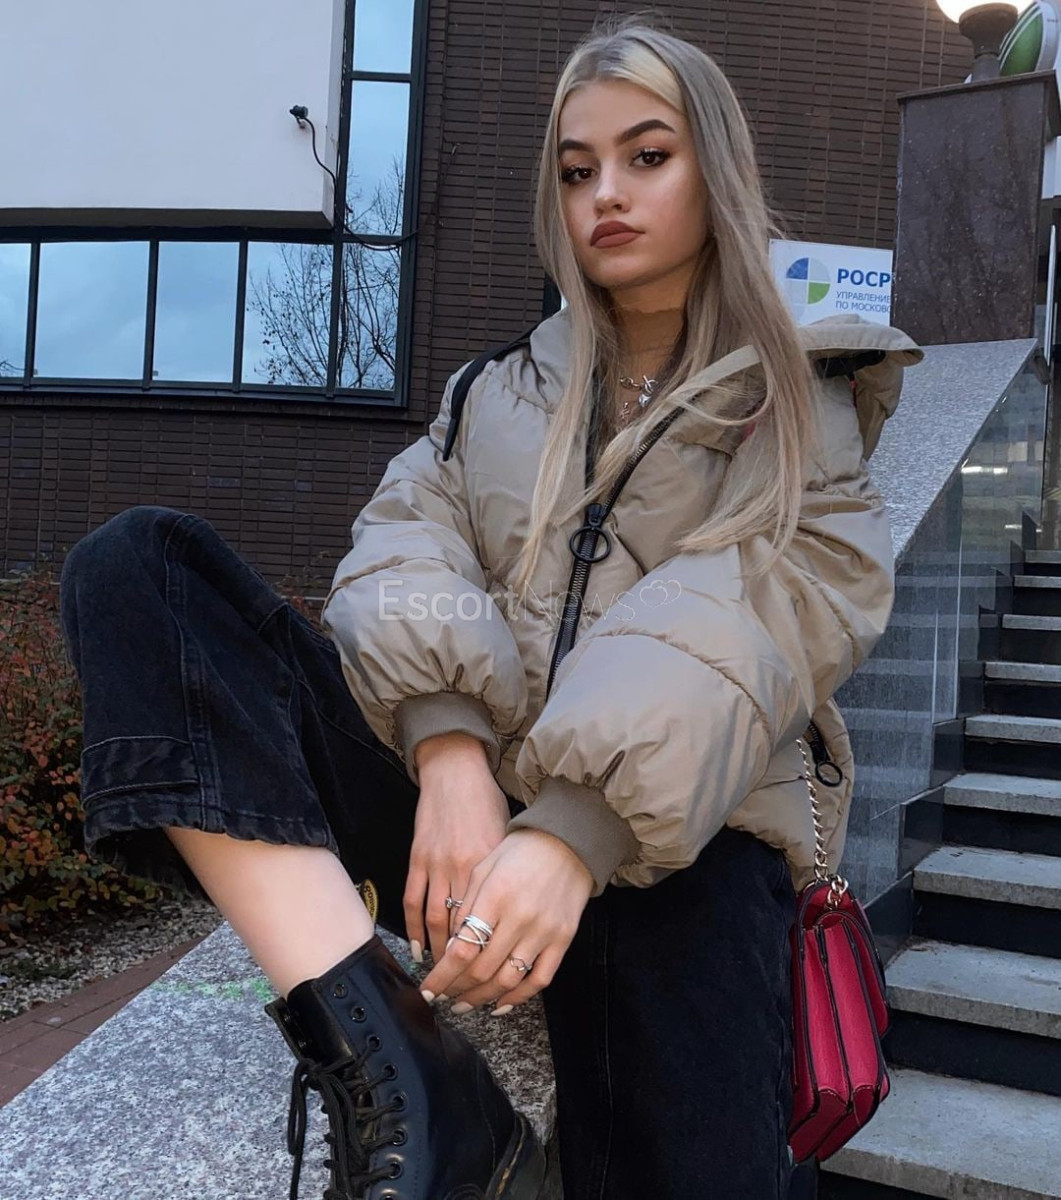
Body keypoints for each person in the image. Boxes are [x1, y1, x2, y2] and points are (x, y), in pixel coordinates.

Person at [57, 13, 923, 1200]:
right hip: (458, 813)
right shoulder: (488, 396)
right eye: (575, 170)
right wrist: (449, 749)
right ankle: (407, 1074)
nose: (604, 193)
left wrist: (566, 833)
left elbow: (751, 618)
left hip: (674, 844)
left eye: (645, 155)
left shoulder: (801, 403)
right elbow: (399, 553)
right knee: (141, 570)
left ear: (714, 168)